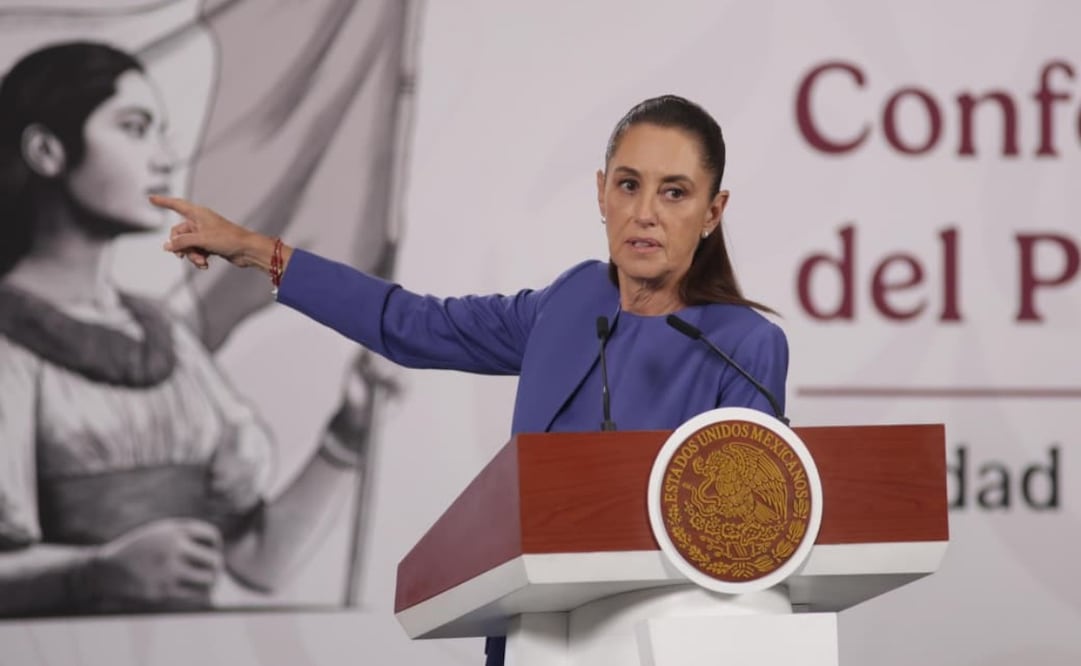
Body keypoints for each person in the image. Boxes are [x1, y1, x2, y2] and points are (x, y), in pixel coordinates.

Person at [154, 94, 789, 664]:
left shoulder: (744, 347)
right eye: (629, 185)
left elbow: (745, 543)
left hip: (657, 644)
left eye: (674, 192)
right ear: (601, 193)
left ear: (713, 210)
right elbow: (410, 324)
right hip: (531, 640)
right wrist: (258, 251)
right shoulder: (567, 304)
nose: (645, 212)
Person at [0, 41, 375, 616]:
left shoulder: (166, 337)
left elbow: (258, 560)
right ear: (47, 151)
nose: (165, 156)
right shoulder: (9, 342)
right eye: (134, 127)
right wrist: (95, 572)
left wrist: (348, 433)